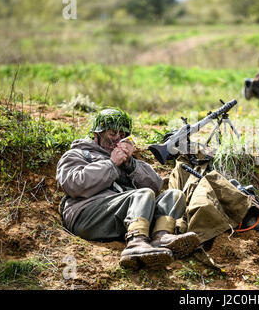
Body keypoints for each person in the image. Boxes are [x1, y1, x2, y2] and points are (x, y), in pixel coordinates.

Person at [56, 108, 200, 270]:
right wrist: (111, 164)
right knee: (143, 194)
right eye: (112, 133)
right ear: (96, 135)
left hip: (122, 217)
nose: (118, 139)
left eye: (122, 134)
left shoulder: (127, 160)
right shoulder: (77, 154)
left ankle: (161, 236)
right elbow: (74, 185)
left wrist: (131, 166)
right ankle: (136, 243)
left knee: (173, 195)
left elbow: (156, 185)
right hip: (87, 216)